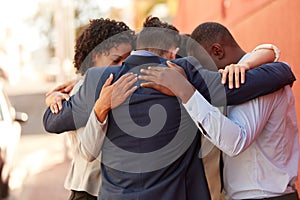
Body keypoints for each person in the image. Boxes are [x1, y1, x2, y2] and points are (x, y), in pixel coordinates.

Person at [43, 16, 296, 200]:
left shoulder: (95, 82)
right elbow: (259, 80)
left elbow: (52, 121)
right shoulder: (184, 73)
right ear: (172, 52)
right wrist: (277, 62)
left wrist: (82, 91)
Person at [138, 22, 299, 200]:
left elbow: (235, 142)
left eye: (202, 65)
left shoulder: (252, 81)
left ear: (217, 51)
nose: (203, 74)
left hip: (266, 195)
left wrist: (186, 92)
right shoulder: (235, 82)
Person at [45, 18, 135, 200]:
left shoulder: (110, 84)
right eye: (116, 60)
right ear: (94, 56)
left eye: (128, 60)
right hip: (90, 191)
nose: (123, 68)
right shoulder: (84, 90)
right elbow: (89, 151)